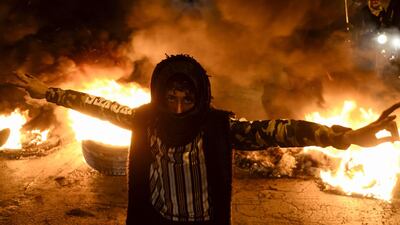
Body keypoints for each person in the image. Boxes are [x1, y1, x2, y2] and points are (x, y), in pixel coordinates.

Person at [10, 54, 399, 225]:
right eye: (170, 98)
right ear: (158, 96)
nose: (179, 108)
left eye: (188, 98)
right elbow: (98, 105)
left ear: (201, 98)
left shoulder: (219, 128)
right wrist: (50, 93)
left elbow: (284, 129)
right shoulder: (145, 121)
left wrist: (345, 136)